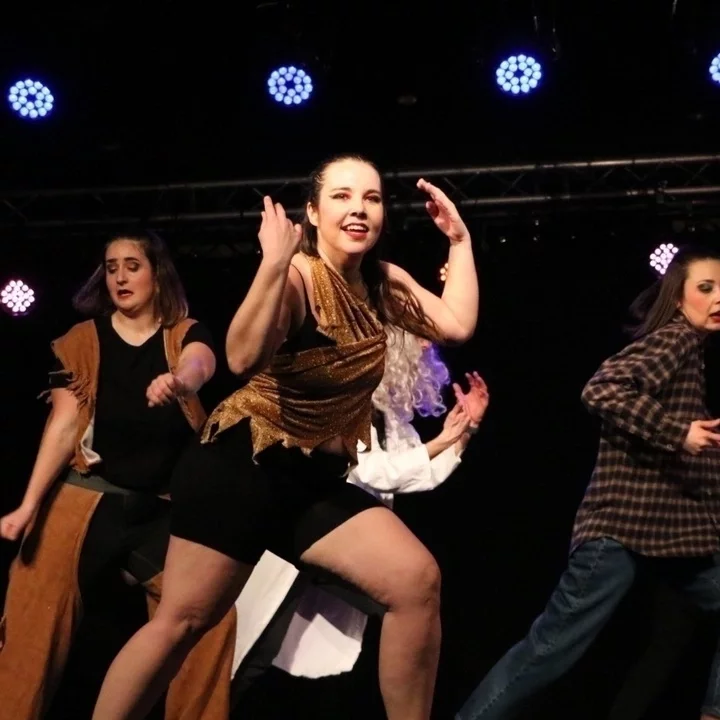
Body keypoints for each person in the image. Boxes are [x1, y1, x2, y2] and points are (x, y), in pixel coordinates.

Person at [91, 153, 479, 720]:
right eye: (342, 196)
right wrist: (273, 266)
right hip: (240, 467)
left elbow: (457, 324)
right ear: (313, 213)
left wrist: (460, 241)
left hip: (310, 481)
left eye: (371, 198)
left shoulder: (382, 280)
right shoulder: (299, 276)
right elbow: (241, 357)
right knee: (182, 623)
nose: (358, 209)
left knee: (416, 582)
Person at [456, 244, 720, 720]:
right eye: (706, 288)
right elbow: (602, 389)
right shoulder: (675, 339)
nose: (719, 298)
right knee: (550, 648)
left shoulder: (692, 351)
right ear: (679, 298)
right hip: (619, 531)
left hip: (666, 534)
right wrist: (677, 432)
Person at [0, 231, 235, 720]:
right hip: (86, 498)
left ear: (157, 275)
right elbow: (64, 425)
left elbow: (202, 362)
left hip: (158, 509)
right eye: (112, 268)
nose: (121, 277)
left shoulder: (182, 333)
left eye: (133, 265)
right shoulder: (81, 341)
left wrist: (181, 381)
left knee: (209, 615)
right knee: (30, 625)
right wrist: (28, 505)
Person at [228, 329, 489, 696]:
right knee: (253, 649)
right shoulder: (347, 393)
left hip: (346, 541)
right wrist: (441, 441)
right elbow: (371, 471)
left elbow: (418, 473)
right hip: (312, 528)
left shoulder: (392, 417)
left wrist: (463, 433)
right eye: (420, 335)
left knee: (410, 608)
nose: (428, 345)